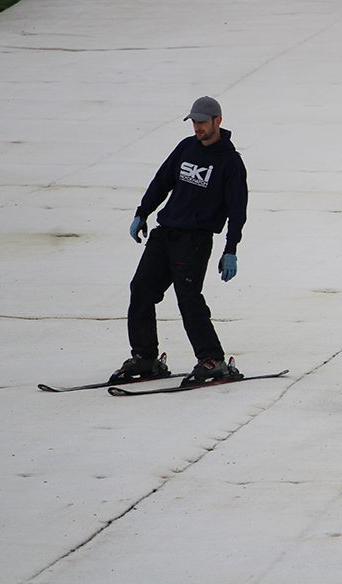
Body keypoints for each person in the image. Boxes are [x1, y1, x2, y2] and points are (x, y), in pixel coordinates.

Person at [110, 96, 248, 385]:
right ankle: (146, 358)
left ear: (217, 122)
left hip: (195, 240)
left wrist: (231, 249)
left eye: (202, 122)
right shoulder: (186, 147)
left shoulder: (231, 162)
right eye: (194, 121)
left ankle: (212, 359)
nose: (197, 127)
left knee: (188, 298)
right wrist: (143, 212)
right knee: (141, 289)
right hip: (165, 234)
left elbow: (237, 210)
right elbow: (162, 180)